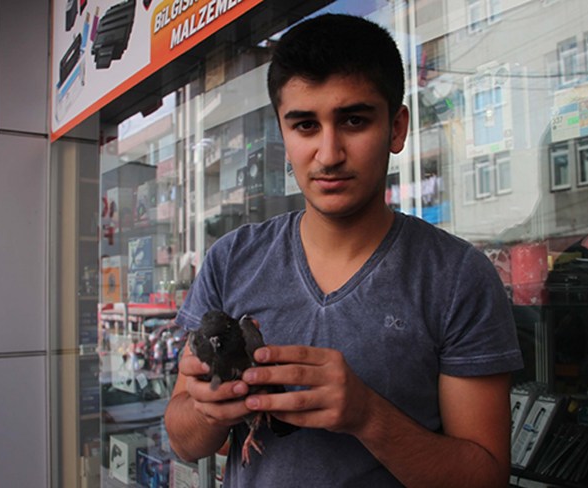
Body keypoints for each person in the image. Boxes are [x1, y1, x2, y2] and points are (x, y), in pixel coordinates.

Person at [164, 13, 523, 487]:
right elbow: (183, 440)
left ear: (397, 128)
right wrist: (209, 411)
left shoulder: (457, 277)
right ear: (283, 135)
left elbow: (487, 478)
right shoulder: (232, 260)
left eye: (354, 121)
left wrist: (367, 415)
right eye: (305, 125)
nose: (329, 153)